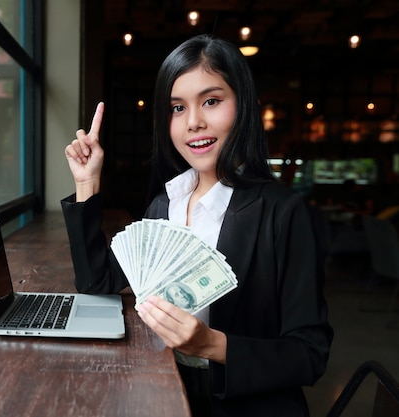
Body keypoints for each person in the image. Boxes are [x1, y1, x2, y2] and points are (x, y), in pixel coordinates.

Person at [61, 34, 332, 417]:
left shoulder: (284, 213)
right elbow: (96, 282)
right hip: (165, 389)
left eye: (211, 101)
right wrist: (87, 183)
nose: (194, 122)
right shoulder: (163, 205)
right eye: (176, 108)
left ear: (244, 106)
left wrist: (210, 344)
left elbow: (309, 356)